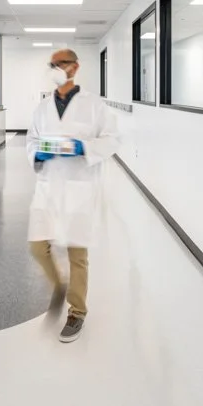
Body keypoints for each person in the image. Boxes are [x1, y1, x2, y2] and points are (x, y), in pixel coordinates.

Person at [27, 48, 119, 343]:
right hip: (48, 184)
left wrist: (85, 148)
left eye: (61, 63)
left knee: (78, 253)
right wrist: (36, 153)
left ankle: (77, 312)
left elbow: (112, 139)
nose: (55, 67)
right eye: (51, 64)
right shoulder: (42, 107)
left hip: (79, 185)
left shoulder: (94, 105)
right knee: (38, 246)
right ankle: (60, 285)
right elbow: (31, 139)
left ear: (75, 67)